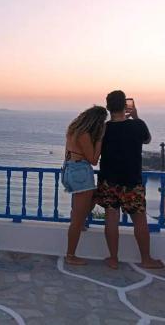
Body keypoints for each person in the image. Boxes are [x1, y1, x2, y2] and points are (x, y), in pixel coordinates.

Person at [94, 91, 164, 269]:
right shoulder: (137, 125)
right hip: (132, 181)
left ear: (108, 107)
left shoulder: (104, 128)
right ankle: (146, 259)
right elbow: (147, 140)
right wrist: (136, 116)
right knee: (140, 221)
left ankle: (113, 259)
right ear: (125, 106)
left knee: (111, 219)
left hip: (109, 180)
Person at [62, 106, 107, 265]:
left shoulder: (73, 130)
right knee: (77, 219)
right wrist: (100, 139)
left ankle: (78, 221)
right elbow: (93, 159)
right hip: (81, 171)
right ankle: (70, 255)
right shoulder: (84, 135)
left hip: (71, 169)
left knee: (95, 195)